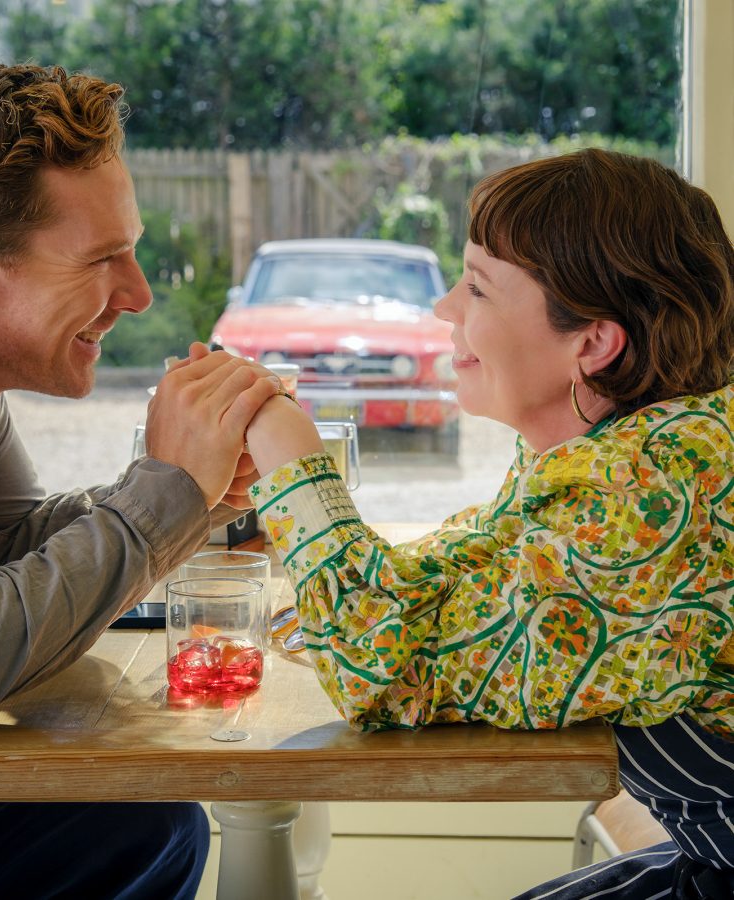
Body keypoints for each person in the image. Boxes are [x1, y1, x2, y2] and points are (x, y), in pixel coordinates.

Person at [0, 64, 283, 898]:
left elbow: (3, 547)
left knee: (150, 830)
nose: (140, 295)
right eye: (103, 260)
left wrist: (197, 495)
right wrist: (163, 493)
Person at [238, 149, 734, 898]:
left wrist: (289, 457)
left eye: (476, 288)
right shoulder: (636, 451)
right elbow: (439, 587)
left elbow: (383, 672)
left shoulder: (644, 504)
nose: (444, 310)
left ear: (593, 344)